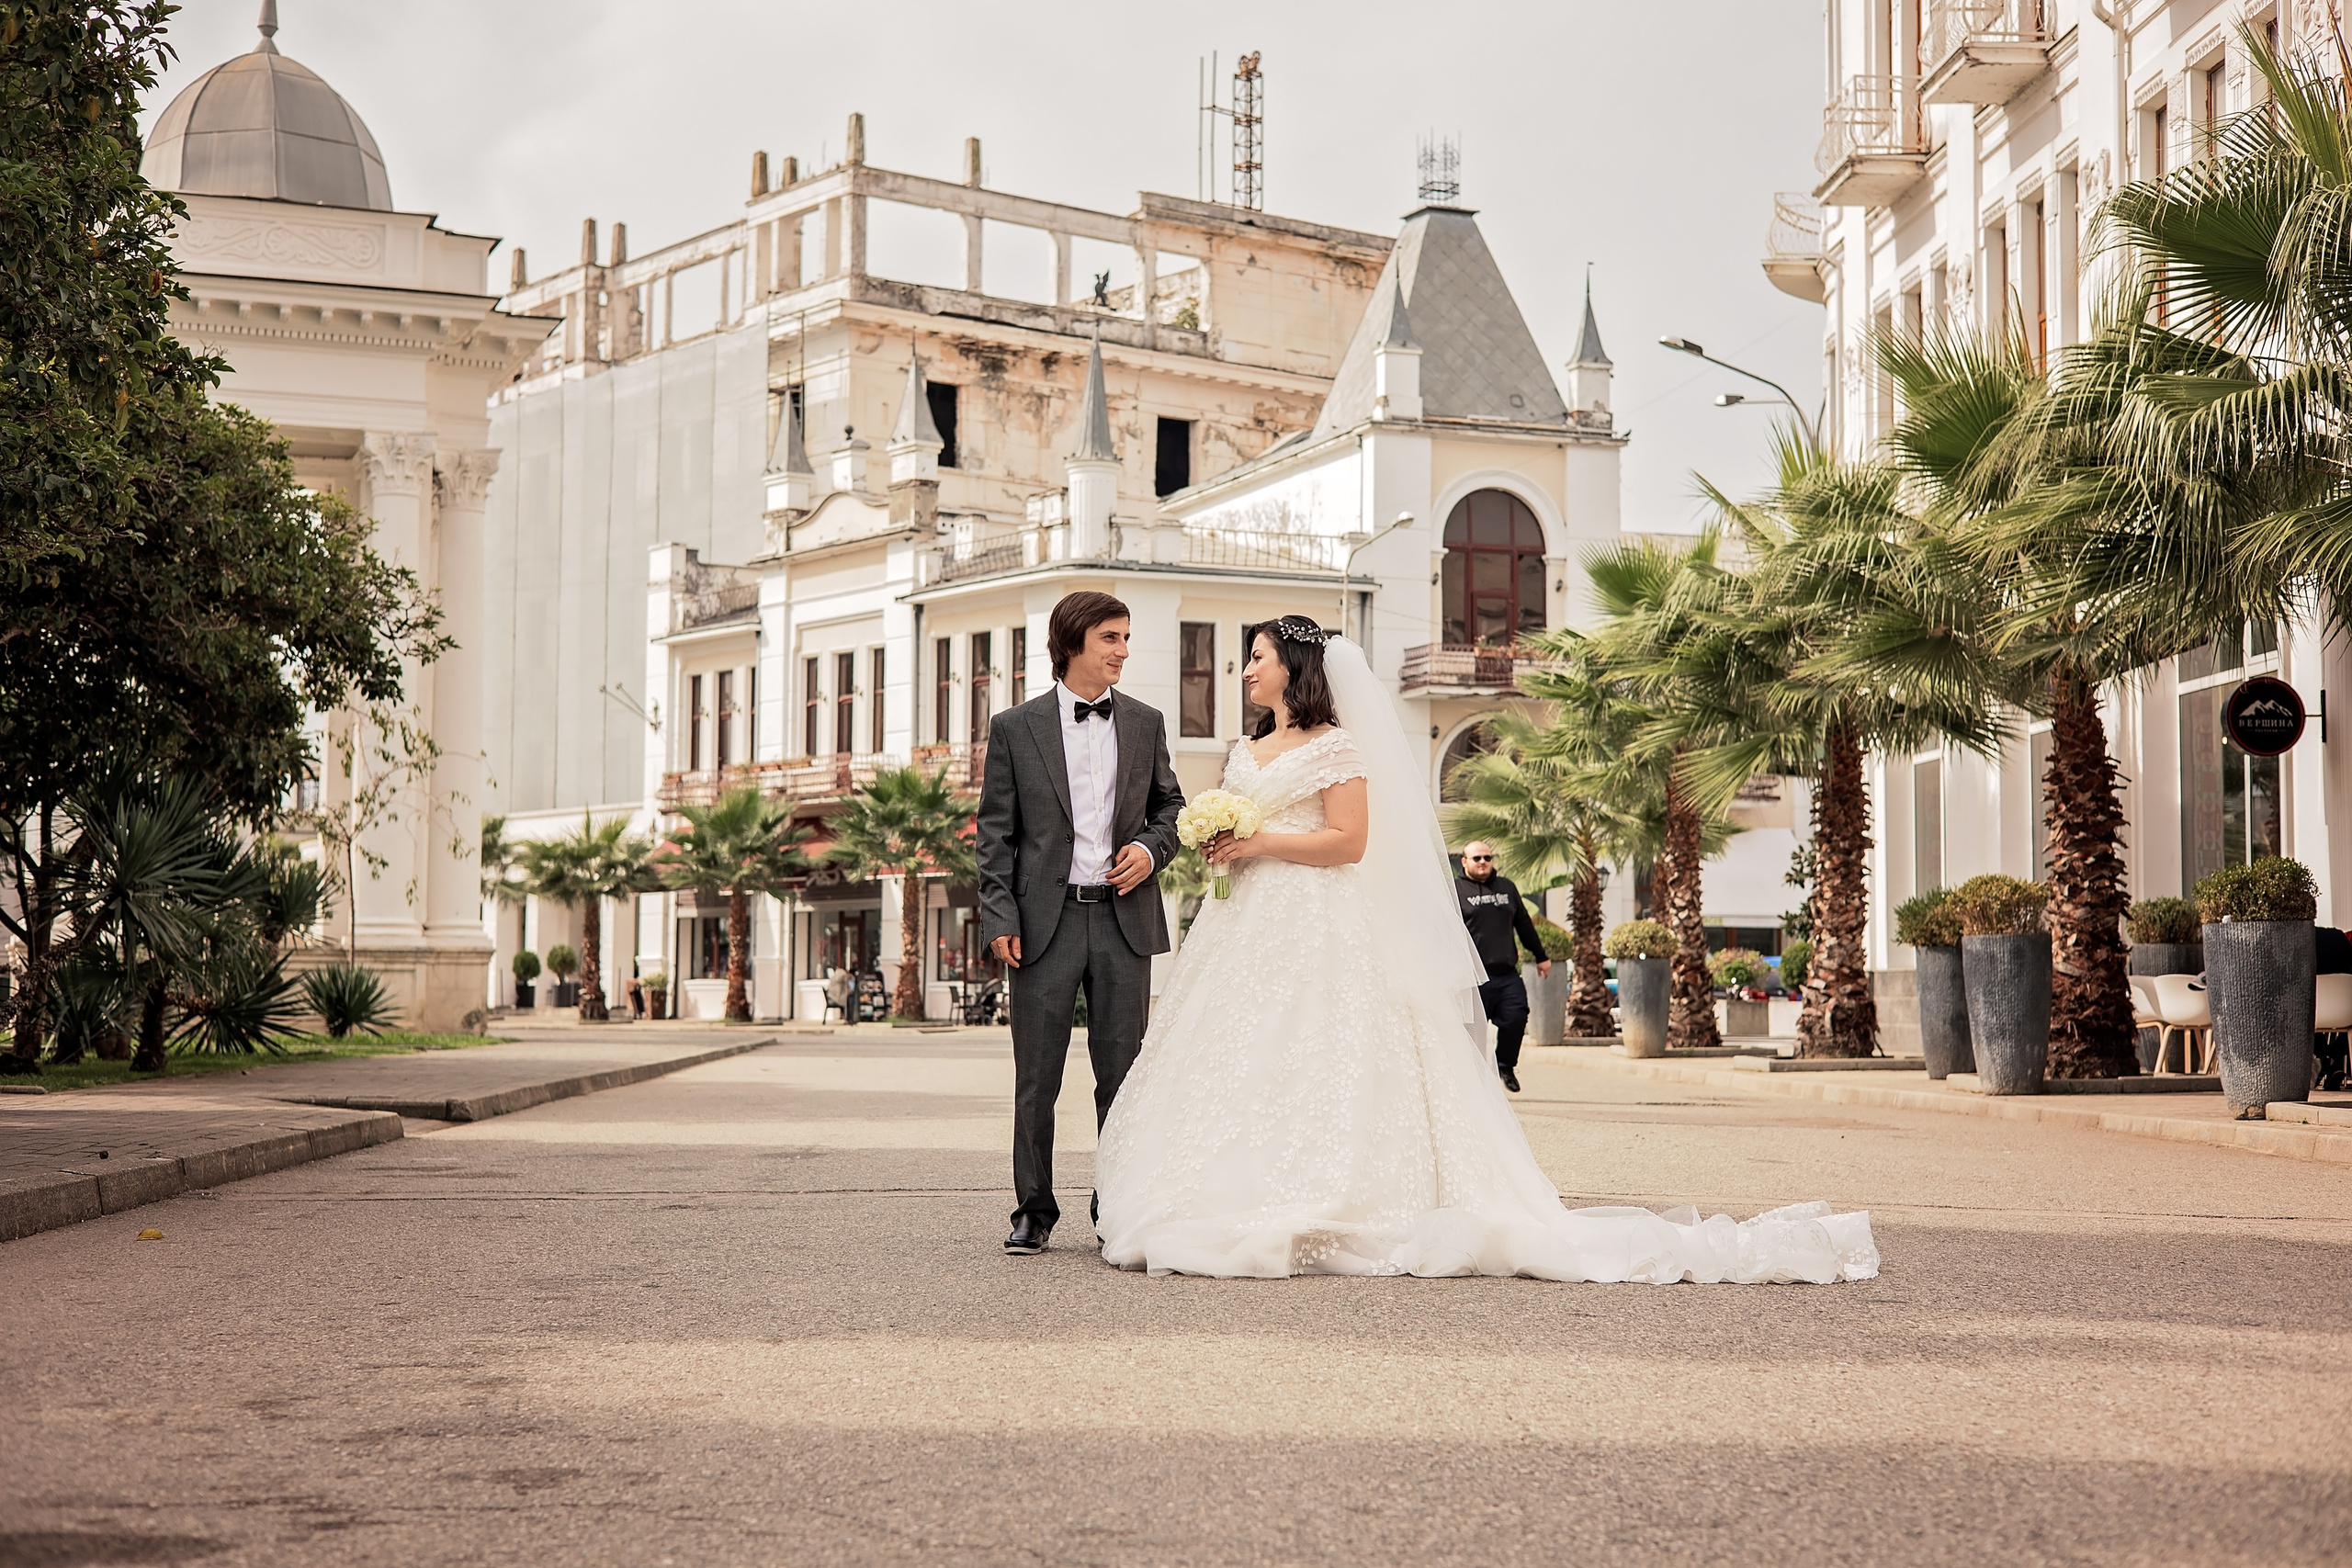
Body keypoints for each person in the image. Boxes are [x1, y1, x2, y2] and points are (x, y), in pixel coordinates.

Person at [1091, 615, 1878, 1283]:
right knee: (1240, 1050)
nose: (1246, 668)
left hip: (1321, 918)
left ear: (1292, 668)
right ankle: (1221, 1187)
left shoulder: (1337, 746)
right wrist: (1221, 845)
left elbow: (1349, 842)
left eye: (1257, 655)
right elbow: (1245, 825)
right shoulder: (1241, 748)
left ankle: (1333, 1195)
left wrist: (1259, 838)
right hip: (1245, 924)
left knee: (1324, 1047)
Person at [975, 591, 1184, 1257]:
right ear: (1073, 643)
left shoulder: (1146, 722)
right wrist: (1000, 913)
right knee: (1038, 1078)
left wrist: (1151, 851)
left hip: (1123, 922)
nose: (1124, 649)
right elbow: (995, 835)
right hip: (1045, 924)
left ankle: (1115, 1202)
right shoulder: (1014, 727)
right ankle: (1033, 1208)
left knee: (1120, 1075)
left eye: (1126, 637)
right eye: (1111, 638)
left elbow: (1171, 807)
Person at [1455, 840, 1549, 1093]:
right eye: (1477, 858)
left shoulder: (1507, 887)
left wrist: (1541, 955)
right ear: (1464, 861)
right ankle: (1473, 1088)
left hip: (1506, 974)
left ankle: (1505, 1065)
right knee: (1472, 1037)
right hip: (1471, 979)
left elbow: (1524, 925)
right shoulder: (1454, 891)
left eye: (1487, 857)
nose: (1483, 862)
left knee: (1516, 1018)